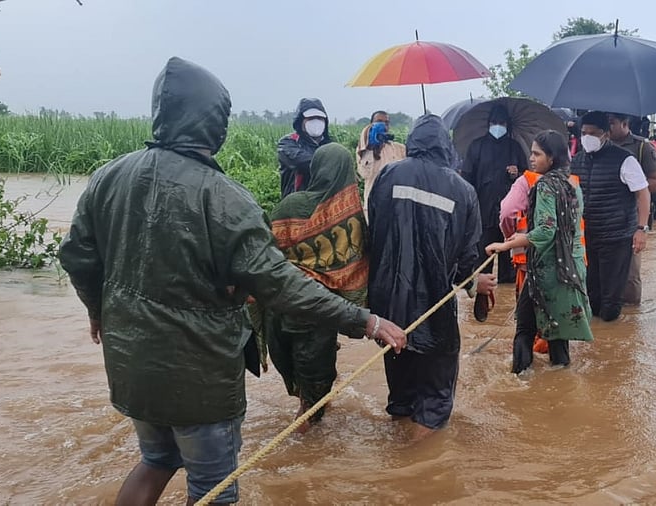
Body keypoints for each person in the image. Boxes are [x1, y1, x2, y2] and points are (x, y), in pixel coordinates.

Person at [58, 57, 407, 506]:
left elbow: (77, 256)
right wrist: (366, 320)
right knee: (214, 489)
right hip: (198, 371)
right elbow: (280, 284)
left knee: (156, 459)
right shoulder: (223, 197)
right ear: (215, 124)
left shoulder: (109, 176)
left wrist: (98, 310)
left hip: (131, 361)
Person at [368, 114, 497, 440]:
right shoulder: (462, 190)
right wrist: (475, 284)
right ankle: (417, 463)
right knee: (435, 402)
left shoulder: (387, 175)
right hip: (434, 312)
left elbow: (374, 234)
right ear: (445, 145)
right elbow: (468, 257)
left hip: (389, 308)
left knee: (401, 397)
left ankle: (396, 456)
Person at [267, 143, 370, 432]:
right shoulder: (351, 216)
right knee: (313, 401)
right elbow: (356, 268)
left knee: (300, 379)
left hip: (282, 306)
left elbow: (267, 257)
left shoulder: (288, 205)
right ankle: (303, 447)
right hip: (319, 313)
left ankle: (305, 430)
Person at [487, 130, 594, 374]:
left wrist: (506, 244)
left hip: (547, 269)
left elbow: (546, 231)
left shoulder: (544, 185)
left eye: (537, 154)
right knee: (557, 331)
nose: (531, 159)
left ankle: (520, 380)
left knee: (524, 327)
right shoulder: (572, 184)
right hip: (571, 267)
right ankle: (561, 380)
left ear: (552, 158)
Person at [571, 111, 650, 322]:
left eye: (593, 133)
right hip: (587, 237)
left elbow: (643, 194)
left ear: (606, 134)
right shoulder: (577, 161)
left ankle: (611, 330)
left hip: (617, 237)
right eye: (584, 133)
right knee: (591, 294)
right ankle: (597, 337)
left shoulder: (625, 160)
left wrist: (641, 229)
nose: (587, 137)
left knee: (611, 298)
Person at [461, 104, 528, 287]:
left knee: (510, 261)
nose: (497, 126)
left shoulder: (515, 148)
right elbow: (466, 179)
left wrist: (517, 173)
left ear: (508, 125)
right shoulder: (476, 146)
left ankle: (508, 290)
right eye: (494, 122)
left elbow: (527, 177)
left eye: (502, 123)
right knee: (483, 259)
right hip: (482, 210)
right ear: (488, 123)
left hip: (509, 214)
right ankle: (483, 291)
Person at [607, 112, 656, 306]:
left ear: (625, 123)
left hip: (632, 217)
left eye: (612, 123)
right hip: (605, 216)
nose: (608, 127)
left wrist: (628, 184)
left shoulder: (642, 147)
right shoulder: (601, 146)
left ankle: (632, 316)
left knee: (630, 273)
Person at [277, 98, 332, 198]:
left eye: (319, 118)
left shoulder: (330, 144)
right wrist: (330, 164)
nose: (316, 122)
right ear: (301, 121)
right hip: (297, 200)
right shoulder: (288, 143)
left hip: (324, 200)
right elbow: (302, 162)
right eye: (311, 118)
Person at [356, 110, 406, 214]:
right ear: (371, 125)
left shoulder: (399, 149)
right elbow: (364, 174)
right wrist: (370, 148)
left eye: (386, 123)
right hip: (373, 207)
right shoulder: (363, 150)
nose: (383, 125)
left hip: (394, 207)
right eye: (379, 122)